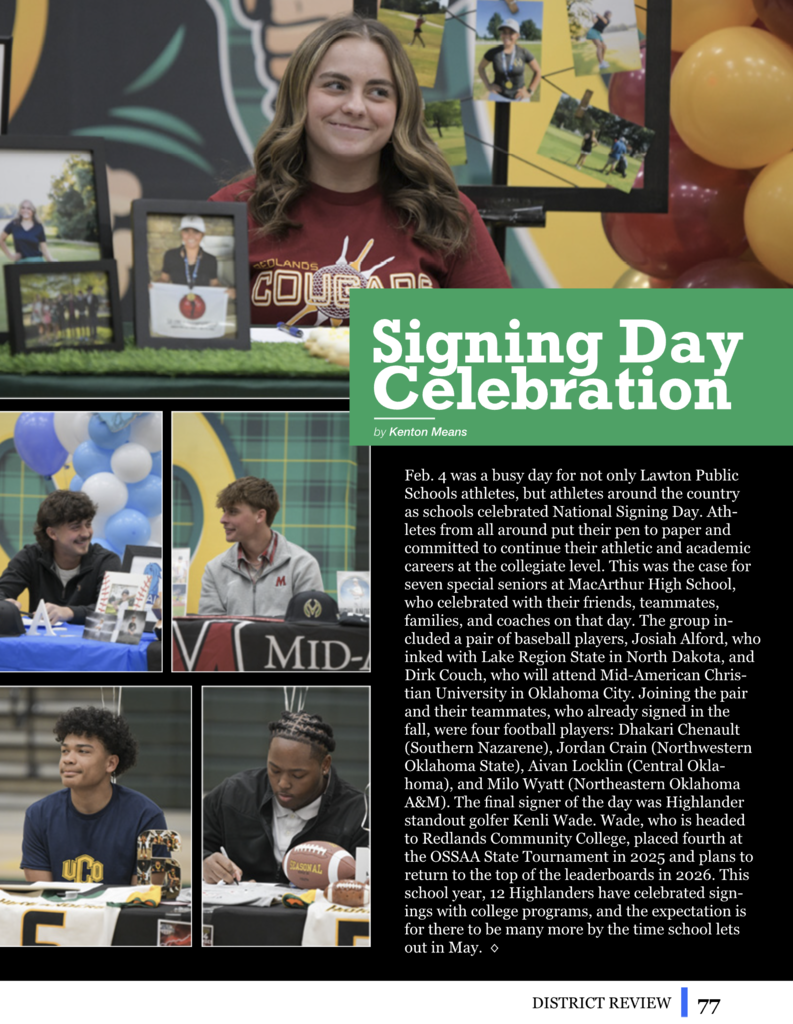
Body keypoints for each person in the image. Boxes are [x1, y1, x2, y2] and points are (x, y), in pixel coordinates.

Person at [208, 14, 511, 328]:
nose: (355, 107)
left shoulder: (447, 215)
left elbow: (502, 338)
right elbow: (189, 339)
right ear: (299, 95)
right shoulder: (233, 211)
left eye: (378, 92)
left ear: (400, 109)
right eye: (336, 86)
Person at [203, 710, 368, 884]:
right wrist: (205, 861)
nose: (283, 784)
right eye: (274, 770)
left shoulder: (360, 814)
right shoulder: (232, 795)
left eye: (297, 775)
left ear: (325, 765)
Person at [20, 706, 167, 885]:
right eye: (65, 750)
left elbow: (144, 896)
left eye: (83, 751)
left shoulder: (147, 817)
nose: (68, 759)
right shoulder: (38, 815)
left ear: (111, 763)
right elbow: (41, 896)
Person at [198, 475, 324, 617]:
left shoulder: (303, 565)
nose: (223, 519)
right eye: (224, 511)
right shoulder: (214, 570)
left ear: (260, 516)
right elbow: (211, 628)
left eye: (233, 512)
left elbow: (311, 626)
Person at [0, 490, 122, 626]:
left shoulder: (106, 560)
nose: (86, 533)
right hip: (41, 639)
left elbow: (114, 610)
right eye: (75, 527)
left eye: (88, 524)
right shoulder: (30, 556)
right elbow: (2, 592)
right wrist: (5, 605)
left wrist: (70, 612)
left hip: (88, 640)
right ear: (52, 533)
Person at [478, 19, 541, 103]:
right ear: (501, 34)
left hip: (520, 99)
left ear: (517, 35)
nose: (506, 35)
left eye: (511, 32)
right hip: (497, 96)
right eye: (504, 32)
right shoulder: (493, 52)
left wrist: (529, 91)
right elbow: (481, 68)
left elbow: (538, 71)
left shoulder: (524, 52)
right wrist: (488, 85)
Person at [158, 215, 220, 288]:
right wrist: (154, 286)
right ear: (181, 233)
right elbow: (164, 279)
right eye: (186, 231)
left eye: (196, 231)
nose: (191, 236)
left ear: (202, 234)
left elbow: (214, 283)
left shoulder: (211, 260)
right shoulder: (170, 256)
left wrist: (226, 291)